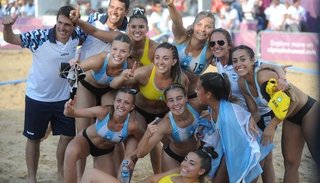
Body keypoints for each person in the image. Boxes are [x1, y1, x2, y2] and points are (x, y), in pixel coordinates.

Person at [2, 5, 85, 183]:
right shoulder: (39, 37)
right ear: (56, 22)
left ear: (74, 26)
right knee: (33, 139)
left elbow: (95, 31)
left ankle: (61, 175)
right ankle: (32, 178)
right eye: (60, 23)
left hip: (64, 99)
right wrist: (7, 27)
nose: (63, 28)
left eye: (67, 25)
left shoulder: (78, 36)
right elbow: (11, 39)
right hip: (37, 98)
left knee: (68, 137)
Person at [232, 45, 319, 183]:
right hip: (290, 117)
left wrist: (272, 125)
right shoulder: (242, 83)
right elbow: (255, 112)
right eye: (235, 61)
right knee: (290, 164)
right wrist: (248, 125)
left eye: (243, 59)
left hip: (309, 110)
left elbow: (293, 101)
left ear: (253, 60)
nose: (238, 64)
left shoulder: (262, 76)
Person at [112, 42, 189, 174]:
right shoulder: (144, 73)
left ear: (174, 61)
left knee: (170, 147)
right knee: (131, 152)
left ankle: (160, 177)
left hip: (164, 114)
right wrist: (122, 77)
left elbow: (182, 105)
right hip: (142, 112)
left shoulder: (181, 79)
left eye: (165, 58)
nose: (160, 62)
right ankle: (124, 175)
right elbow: (114, 85)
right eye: (157, 57)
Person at [195, 72, 274, 182]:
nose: (196, 92)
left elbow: (238, 152)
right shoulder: (215, 107)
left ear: (208, 94)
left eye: (198, 89)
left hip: (252, 154)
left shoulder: (227, 118)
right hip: (237, 149)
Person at [63, 87, 146, 183]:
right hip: (86, 141)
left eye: (126, 103)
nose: (121, 105)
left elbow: (145, 141)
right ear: (114, 102)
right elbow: (73, 113)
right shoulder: (103, 111)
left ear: (132, 107)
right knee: (70, 152)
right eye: (119, 101)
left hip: (104, 151)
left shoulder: (133, 125)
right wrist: (69, 110)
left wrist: (132, 157)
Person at [137, 83, 202, 172]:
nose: (176, 103)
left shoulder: (196, 106)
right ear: (167, 103)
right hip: (173, 158)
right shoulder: (166, 124)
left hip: (197, 155)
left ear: (186, 98)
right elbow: (140, 153)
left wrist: (206, 119)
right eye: (171, 100)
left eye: (179, 98)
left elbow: (216, 103)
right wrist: (147, 134)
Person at [165, 0, 215, 109]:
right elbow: (177, 21)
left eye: (208, 26)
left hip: (190, 96)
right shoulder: (181, 37)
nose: (202, 29)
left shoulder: (210, 51)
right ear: (193, 25)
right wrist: (171, 5)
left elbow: (228, 59)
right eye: (199, 24)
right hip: (167, 90)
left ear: (213, 30)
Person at [70, 6, 158, 67]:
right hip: (117, 83)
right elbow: (95, 31)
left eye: (141, 27)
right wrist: (78, 21)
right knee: (104, 56)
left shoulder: (154, 48)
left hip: (142, 89)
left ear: (147, 29)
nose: (137, 30)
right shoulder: (120, 37)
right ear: (128, 27)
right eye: (133, 27)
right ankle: (77, 69)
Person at [80, 146, 218, 183]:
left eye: (191, 163)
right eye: (186, 159)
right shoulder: (179, 170)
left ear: (201, 171)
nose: (185, 164)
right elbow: (152, 179)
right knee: (90, 173)